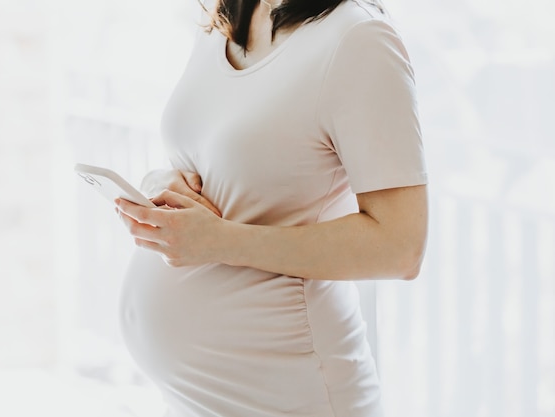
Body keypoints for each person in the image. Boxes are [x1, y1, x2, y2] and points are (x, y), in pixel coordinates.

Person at [115, 0, 428, 415]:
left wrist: (222, 242)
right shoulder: (226, 19)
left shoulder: (359, 40)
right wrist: (161, 182)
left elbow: (400, 246)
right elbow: (221, 160)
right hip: (194, 399)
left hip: (289, 394)